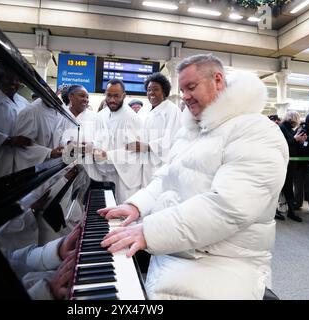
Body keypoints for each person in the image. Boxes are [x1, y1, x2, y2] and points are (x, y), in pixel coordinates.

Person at [98, 54, 288, 300]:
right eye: (182, 89)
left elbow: (227, 207)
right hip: (180, 253)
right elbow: (167, 177)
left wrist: (150, 231)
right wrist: (137, 205)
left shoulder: (256, 132)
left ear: (217, 80)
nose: (184, 96)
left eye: (191, 87)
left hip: (223, 264)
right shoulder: (194, 130)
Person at [92, 79, 143, 203]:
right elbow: (100, 139)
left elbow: (135, 149)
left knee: (124, 217)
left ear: (124, 96)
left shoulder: (130, 118)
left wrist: (108, 155)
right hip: (108, 175)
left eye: (116, 96)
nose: (112, 100)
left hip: (125, 180)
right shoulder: (103, 115)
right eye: (109, 95)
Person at [126, 72, 181, 187]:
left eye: (155, 89)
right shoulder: (144, 111)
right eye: (149, 89)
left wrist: (147, 146)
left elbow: (172, 139)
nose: (151, 93)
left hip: (161, 165)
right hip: (143, 164)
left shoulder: (172, 110)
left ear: (164, 92)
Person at [12, 95, 64, 171]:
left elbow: (57, 135)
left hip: (52, 166)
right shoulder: (30, 112)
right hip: (33, 170)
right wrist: (49, 153)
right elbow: (22, 145)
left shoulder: (57, 111)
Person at [279, 111, 306, 222]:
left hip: (290, 164)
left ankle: (291, 211)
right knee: (284, 188)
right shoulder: (282, 128)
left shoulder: (289, 129)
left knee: (288, 187)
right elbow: (282, 145)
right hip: (285, 163)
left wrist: (300, 141)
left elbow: (291, 145)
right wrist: (295, 139)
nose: (295, 124)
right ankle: (289, 211)